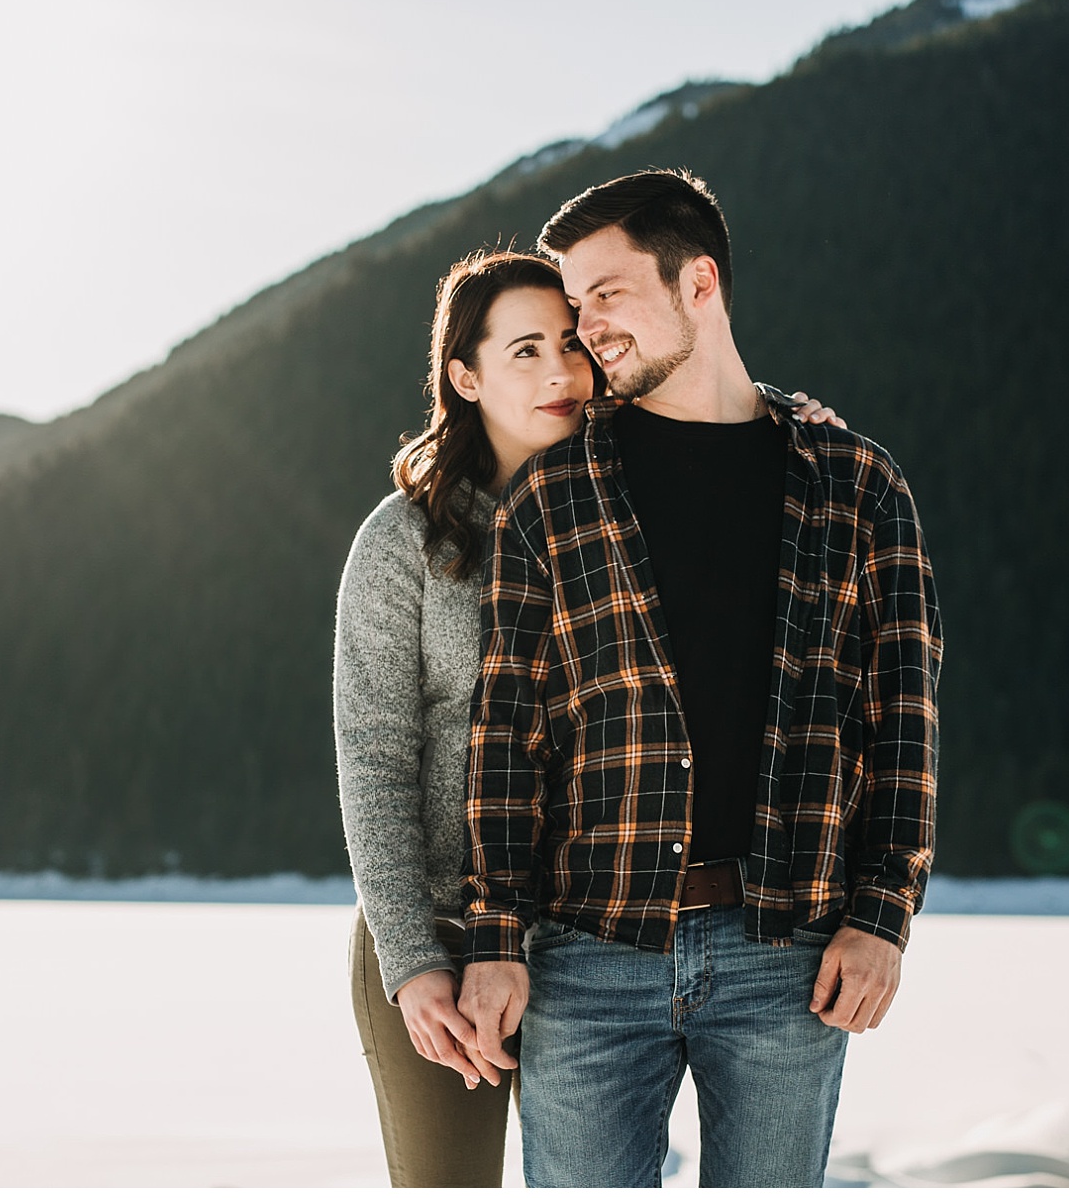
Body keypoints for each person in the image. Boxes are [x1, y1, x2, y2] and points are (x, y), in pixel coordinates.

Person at [456, 169, 944, 1188]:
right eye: (572, 303)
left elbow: (901, 722)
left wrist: (881, 915)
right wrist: (496, 935)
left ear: (698, 283)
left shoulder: (858, 486)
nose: (585, 329)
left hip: (790, 953)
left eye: (606, 294)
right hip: (586, 955)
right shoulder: (553, 494)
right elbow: (505, 737)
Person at [332, 248, 845, 1187]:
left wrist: (779, 412)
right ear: (464, 375)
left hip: (589, 937)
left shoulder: (629, 499)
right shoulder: (404, 541)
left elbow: (706, 395)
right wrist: (412, 962)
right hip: (441, 936)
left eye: (572, 344)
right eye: (525, 351)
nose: (563, 374)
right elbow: (372, 764)